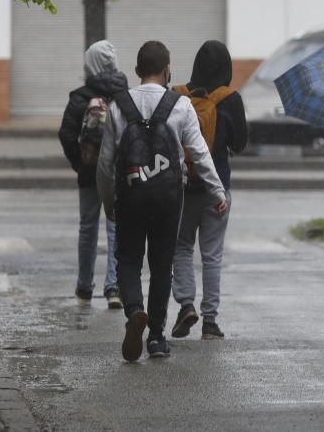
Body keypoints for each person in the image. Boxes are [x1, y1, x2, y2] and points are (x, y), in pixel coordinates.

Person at [97, 41, 228, 362]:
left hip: (130, 193)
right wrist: (217, 191)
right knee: (161, 264)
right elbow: (199, 153)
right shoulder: (179, 106)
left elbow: (105, 162)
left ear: (138, 71)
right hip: (168, 198)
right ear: (168, 69)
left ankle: (134, 311)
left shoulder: (119, 106)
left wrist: (108, 201)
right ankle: (156, 337)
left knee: (127, 259)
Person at [170, 40, 247, 341]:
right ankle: (211, 323)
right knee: (212, 255)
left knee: (182, 247)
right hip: (217, 187)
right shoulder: (230, 100)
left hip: (184, 186)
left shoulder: (177, 97)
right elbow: (240, 144)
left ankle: (186, 304)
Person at [59, 40, 129, 309]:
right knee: (116, 227)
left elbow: (66, 133)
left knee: (88, 227)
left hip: (90, 172)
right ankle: (113, 287)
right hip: (119, 173)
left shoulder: (80, 96)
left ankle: (84, 288)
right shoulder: (126, 95)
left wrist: (80, 163)